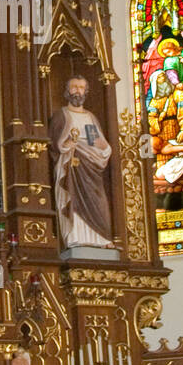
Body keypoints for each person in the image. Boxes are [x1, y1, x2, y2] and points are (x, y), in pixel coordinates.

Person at [48, 76, 113, 249]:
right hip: (72, 167)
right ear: (67, 91)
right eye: (74, 87)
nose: (77, 91)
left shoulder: (91, 117)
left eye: (81, 87)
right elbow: (54, 144)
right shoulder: (61, 116)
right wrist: (66, 144)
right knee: (73, 199)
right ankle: (75, 237)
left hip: (92, 168)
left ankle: (101, 238)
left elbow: (101, 147)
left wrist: (103, 147)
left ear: (86, 91)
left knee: (98, 202)